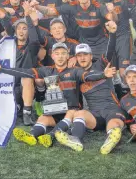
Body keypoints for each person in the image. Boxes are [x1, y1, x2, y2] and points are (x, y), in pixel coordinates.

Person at [0, 42, 116, 148]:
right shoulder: (47, 70)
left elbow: (89, 76)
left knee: (71, 111)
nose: (60, 56)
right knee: (43, 117)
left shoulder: (75, 71)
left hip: (71, 113)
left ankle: (51, 137)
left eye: (63, 53)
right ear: (52, 56)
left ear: (68, 55)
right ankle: (32, 135)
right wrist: (1, 69)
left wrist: (103, 74)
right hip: (55, 111)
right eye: (57, 53)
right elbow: (25, 72)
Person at [54, 21, 126, 155]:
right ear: (75, 58)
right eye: (79, 55)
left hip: (111, 107)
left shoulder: (100, 65)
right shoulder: (76, 74)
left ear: (91, 56)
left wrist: (112, 34)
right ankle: (75, 139)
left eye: (85, 55)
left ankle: (110, 139)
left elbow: (109, 51)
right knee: (79, 114)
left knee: (114, 124)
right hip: (94, 114)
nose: (82, 58)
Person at [34, 0, 115, 60]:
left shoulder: (98, 6)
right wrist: (36, 6)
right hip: (84, 46)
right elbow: (49, 11)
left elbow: (113, 19)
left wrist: (112, 11)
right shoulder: (73, 6)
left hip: (102, 46)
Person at [93, 0, 131, 83]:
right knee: (110, 67)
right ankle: (116, 94)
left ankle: (129, 94)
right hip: (108, 37)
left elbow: (116, 19)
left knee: (124, 69)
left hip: (123, 35)